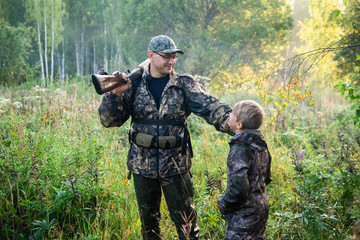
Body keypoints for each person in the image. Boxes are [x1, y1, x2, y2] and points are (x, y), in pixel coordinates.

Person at [98, 35, 234, 240]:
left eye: (174, 57)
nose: (171, 61)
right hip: (142, 166)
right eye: (166, 56)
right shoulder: (133, 85)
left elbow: (212, 108)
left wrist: (237, 124)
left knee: (187, 226)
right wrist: (115, 94)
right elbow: (109, 121)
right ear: (150, 56)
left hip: (175, 165)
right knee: (149, 227)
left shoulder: (184, 85)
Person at [217, 100, 272, 240]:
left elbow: (238, 188)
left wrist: (224, 203)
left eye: (232, 114)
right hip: (261, 207)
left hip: (244, 213)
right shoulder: (260, 143)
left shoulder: (239, 149)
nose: (229, 115)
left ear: (239, 124)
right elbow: (267, 177)